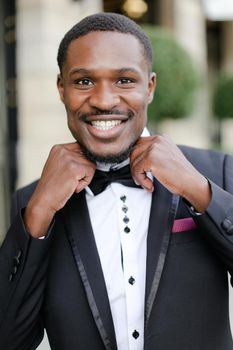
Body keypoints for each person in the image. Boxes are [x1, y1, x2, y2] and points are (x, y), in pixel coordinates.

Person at [0, 12, 233, 350]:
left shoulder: (215, 172)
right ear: (61, 89)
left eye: (124, 80)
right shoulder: (32, 203)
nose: (104, 100)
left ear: (149, 87)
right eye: (83, 82)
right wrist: (38, 213)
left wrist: (198, 190)